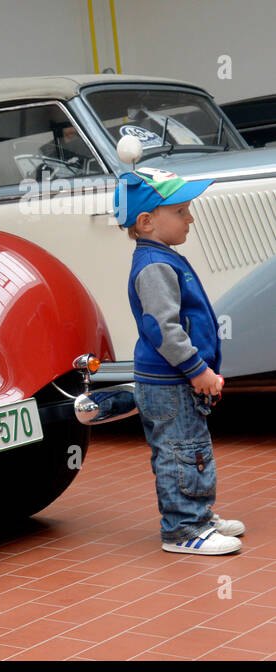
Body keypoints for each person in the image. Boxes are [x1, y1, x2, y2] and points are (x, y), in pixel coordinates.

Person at [117, 167, 244, 555]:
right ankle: (183, 530)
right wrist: (197, 369)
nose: (190, 218)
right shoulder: (155, 266)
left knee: (192, 449)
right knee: (179, 453)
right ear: (147, 221)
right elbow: (162, 328)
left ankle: (198, 514)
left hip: (175, 382)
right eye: (182, 211)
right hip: (169, 383)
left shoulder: (163, 257)